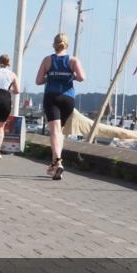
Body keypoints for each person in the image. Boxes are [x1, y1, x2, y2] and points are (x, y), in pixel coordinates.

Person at [34, 33, 85, 180]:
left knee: (54, 132)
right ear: (66, 45)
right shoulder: (73, 60)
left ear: (54, 44)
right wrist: (71, 76)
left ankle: (58, 162)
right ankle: (54, 164)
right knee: (59, 132)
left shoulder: (47, 60)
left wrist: (50, 76)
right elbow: (82, 77)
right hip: (68, 98)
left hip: (52, 97)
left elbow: (38, 81)